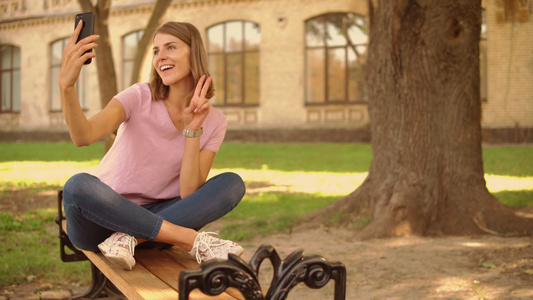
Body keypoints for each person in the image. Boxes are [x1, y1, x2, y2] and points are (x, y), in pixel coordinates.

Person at [58, 20, 245, 271]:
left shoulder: (215, 121)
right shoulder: (138, 96)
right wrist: (66, 86)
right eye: (156, 51)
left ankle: (129, 238)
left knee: (232, 183)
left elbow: (190, 193)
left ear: (194, 53)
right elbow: (83, 136)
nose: (160, 57)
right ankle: (191, 240)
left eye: (170, 47)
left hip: (156, 226)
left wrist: (192, 130)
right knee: (78, 185)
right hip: (102, 219)